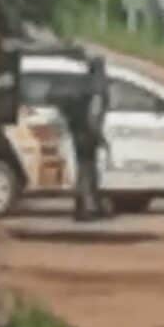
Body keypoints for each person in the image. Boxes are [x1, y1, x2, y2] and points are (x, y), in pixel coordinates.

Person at [58, 57, 110, 222]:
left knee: (86, 170)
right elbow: (93, 114)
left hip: (78, 132)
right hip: (87, 133)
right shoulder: (98, 87)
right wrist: (99, 136)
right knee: (87, 171)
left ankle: (88, 206)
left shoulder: (84, 83)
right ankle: (84, 209)